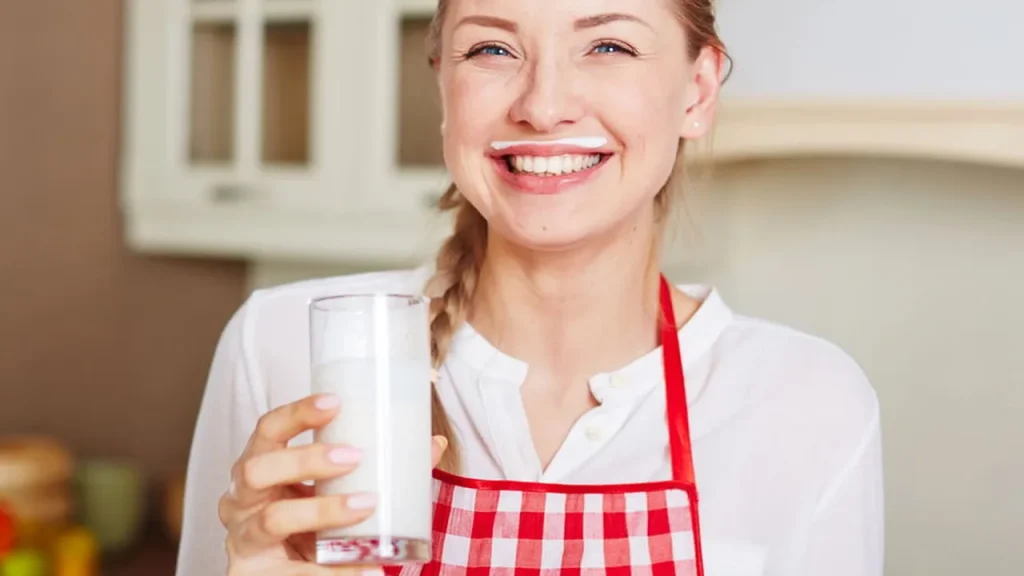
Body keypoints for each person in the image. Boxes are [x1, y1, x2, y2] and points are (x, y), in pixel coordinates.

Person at [176, 0, 885, 574]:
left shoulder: (808, 404)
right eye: (493, 48)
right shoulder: (286, 345)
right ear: (444, 88)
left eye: (608, 46)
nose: (544, 107)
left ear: (697, 92)